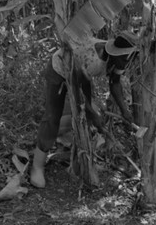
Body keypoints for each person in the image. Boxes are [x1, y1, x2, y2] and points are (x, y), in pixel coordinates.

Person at [30, 31, 138, 188]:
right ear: (116, 53)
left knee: (85, 117)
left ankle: (76, 159)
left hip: (81, 77)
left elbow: (114, 83)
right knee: (52, 117)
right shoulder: (94, 59)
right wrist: (92, 114)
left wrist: (125, 111)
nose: (126, 64)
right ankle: (37, 166)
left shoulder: (121, 59)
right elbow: (78, 91)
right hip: (59, 70)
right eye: (124, 59)